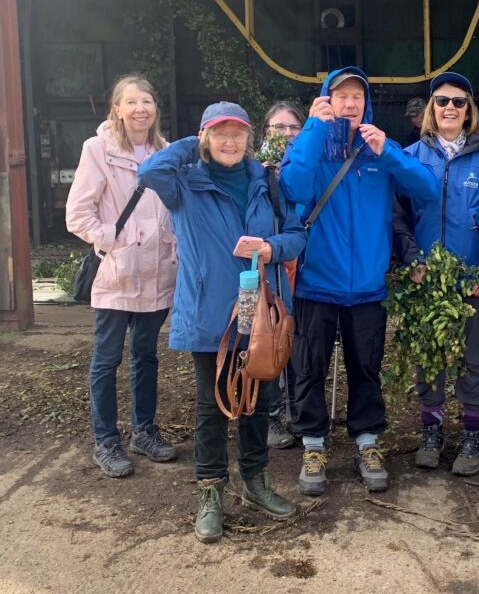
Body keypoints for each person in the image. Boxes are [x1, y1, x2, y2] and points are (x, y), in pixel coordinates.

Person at [138, 102, 305, 543]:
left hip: (261, 313)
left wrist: (272, 247)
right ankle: (211, 491)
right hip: (210, 311)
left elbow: (297, 232)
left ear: (250, 137)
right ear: (205, 137)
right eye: (219, 133)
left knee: (258, 400)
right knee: (210, 407)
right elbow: (149, 170)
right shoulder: (184, 183)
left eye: (237, 133)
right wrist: (194, 143)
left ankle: (254, 482)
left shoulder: (266, 181)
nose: (229, 142)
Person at [279, 67, 440, 496]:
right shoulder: (311, 147)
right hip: (315, 283)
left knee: (366, 369)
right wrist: (314, 128)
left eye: (356, 97)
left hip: (368, 286)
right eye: (340, 96)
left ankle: (367, 442)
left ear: (366, 103)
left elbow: (427, 189)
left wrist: (387, 150)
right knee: (309, 369)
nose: (348, 104)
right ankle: (314, 444)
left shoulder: (378, 151)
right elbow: (292, 187)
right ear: (326, 100)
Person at [394, 71, 479, 476]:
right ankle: (431, 431)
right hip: (427, 279)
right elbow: (398, 219)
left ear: (469, 110)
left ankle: (473, 434)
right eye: (442, 101)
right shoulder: (409, 158)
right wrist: (413, 262)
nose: (450, 108)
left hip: (470, 281)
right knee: (430, 358)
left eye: (459, 102)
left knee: (472, 358)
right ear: (431, 108)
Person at [66, 74, 178, 478]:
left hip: (157, 273)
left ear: (155, 108)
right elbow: (78, 213)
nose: (139, 109)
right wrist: (111, 242)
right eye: (130, 102)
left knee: (146, 356)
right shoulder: (98, 150)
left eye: (146, 101)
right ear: (117, 108)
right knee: (107, 358)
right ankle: (106, 439)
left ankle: (144, 431)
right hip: (117, 273)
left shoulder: (165, 152)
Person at [258, 101, 307, 450]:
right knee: (270, 338)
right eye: (279, 128)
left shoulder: (308, 163)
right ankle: (271, 414)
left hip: (304, 263)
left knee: (297, 340)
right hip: (272, 267)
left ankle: (295, 409)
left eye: (293, 128)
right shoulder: (253, 171)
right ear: (266, 133)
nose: (287, 134)